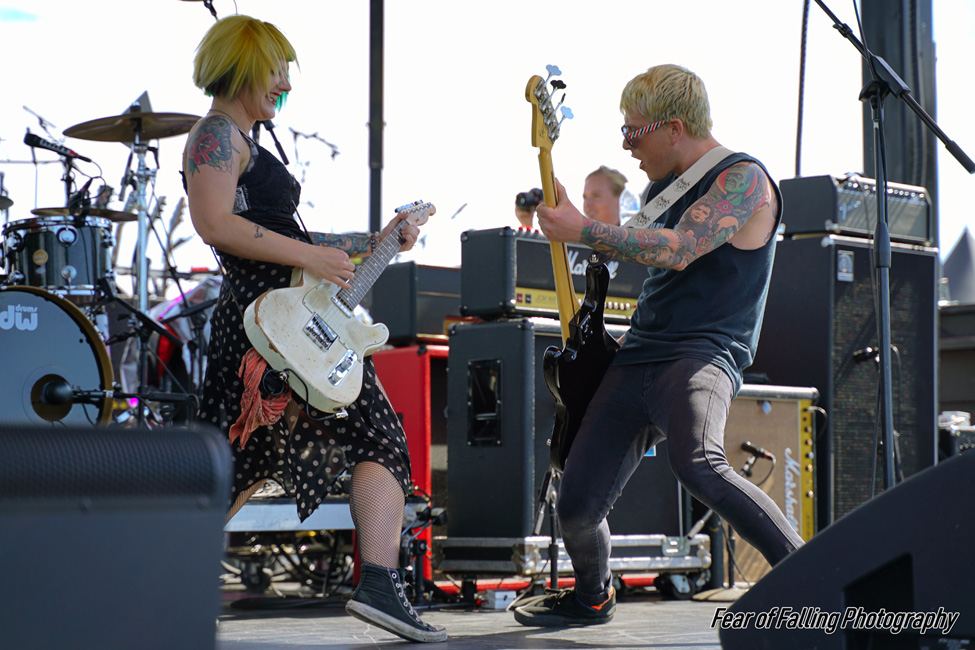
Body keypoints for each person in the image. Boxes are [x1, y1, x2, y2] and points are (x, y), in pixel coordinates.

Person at [181, 15, 446, 643]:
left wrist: (374, 240)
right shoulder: (215, 134)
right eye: (276, 71)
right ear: (244, 66)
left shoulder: (242, 138)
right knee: (374, 438)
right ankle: (379, 585)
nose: (285, 84)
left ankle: (160, 580)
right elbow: (214, 223)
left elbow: (290, 236)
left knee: (234, 459)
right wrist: (310, 257)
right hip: (271, 325)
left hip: (285, 319)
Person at [514, 64, 803, 627]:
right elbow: (634, 246)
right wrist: (568, 217)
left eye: (634, 131)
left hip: (702, 355)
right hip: (639, 353)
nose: (627, 146)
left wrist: (583, 229)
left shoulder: (743, 179)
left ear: (674, 128)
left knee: (699, 463)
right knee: (576, 503)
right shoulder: (659, 188)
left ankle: (816, 577)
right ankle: (591, 597)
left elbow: (678, 248)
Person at [514, 165, 627, 228]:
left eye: (596, 196)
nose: (588, 204)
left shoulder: (633, 247)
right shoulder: (573, 241)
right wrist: (527, 224)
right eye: (585, 198)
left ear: (620, 199)